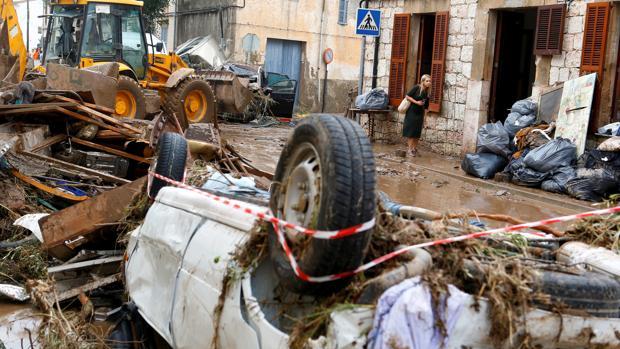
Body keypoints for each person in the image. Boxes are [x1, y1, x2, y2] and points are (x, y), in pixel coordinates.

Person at [403, 74, 431, 157]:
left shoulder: (427, 92)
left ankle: (414, 149)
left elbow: (426, 107)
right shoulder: (417, 88)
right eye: (427, 81)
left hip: (420, 114)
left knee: (417, 133)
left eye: (430, 81)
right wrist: (416, 102)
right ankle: (409, 150)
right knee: (411, 132)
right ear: (423, 81)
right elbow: (407, 96)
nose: (429, 82)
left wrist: (425, 120)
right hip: (412, 113)